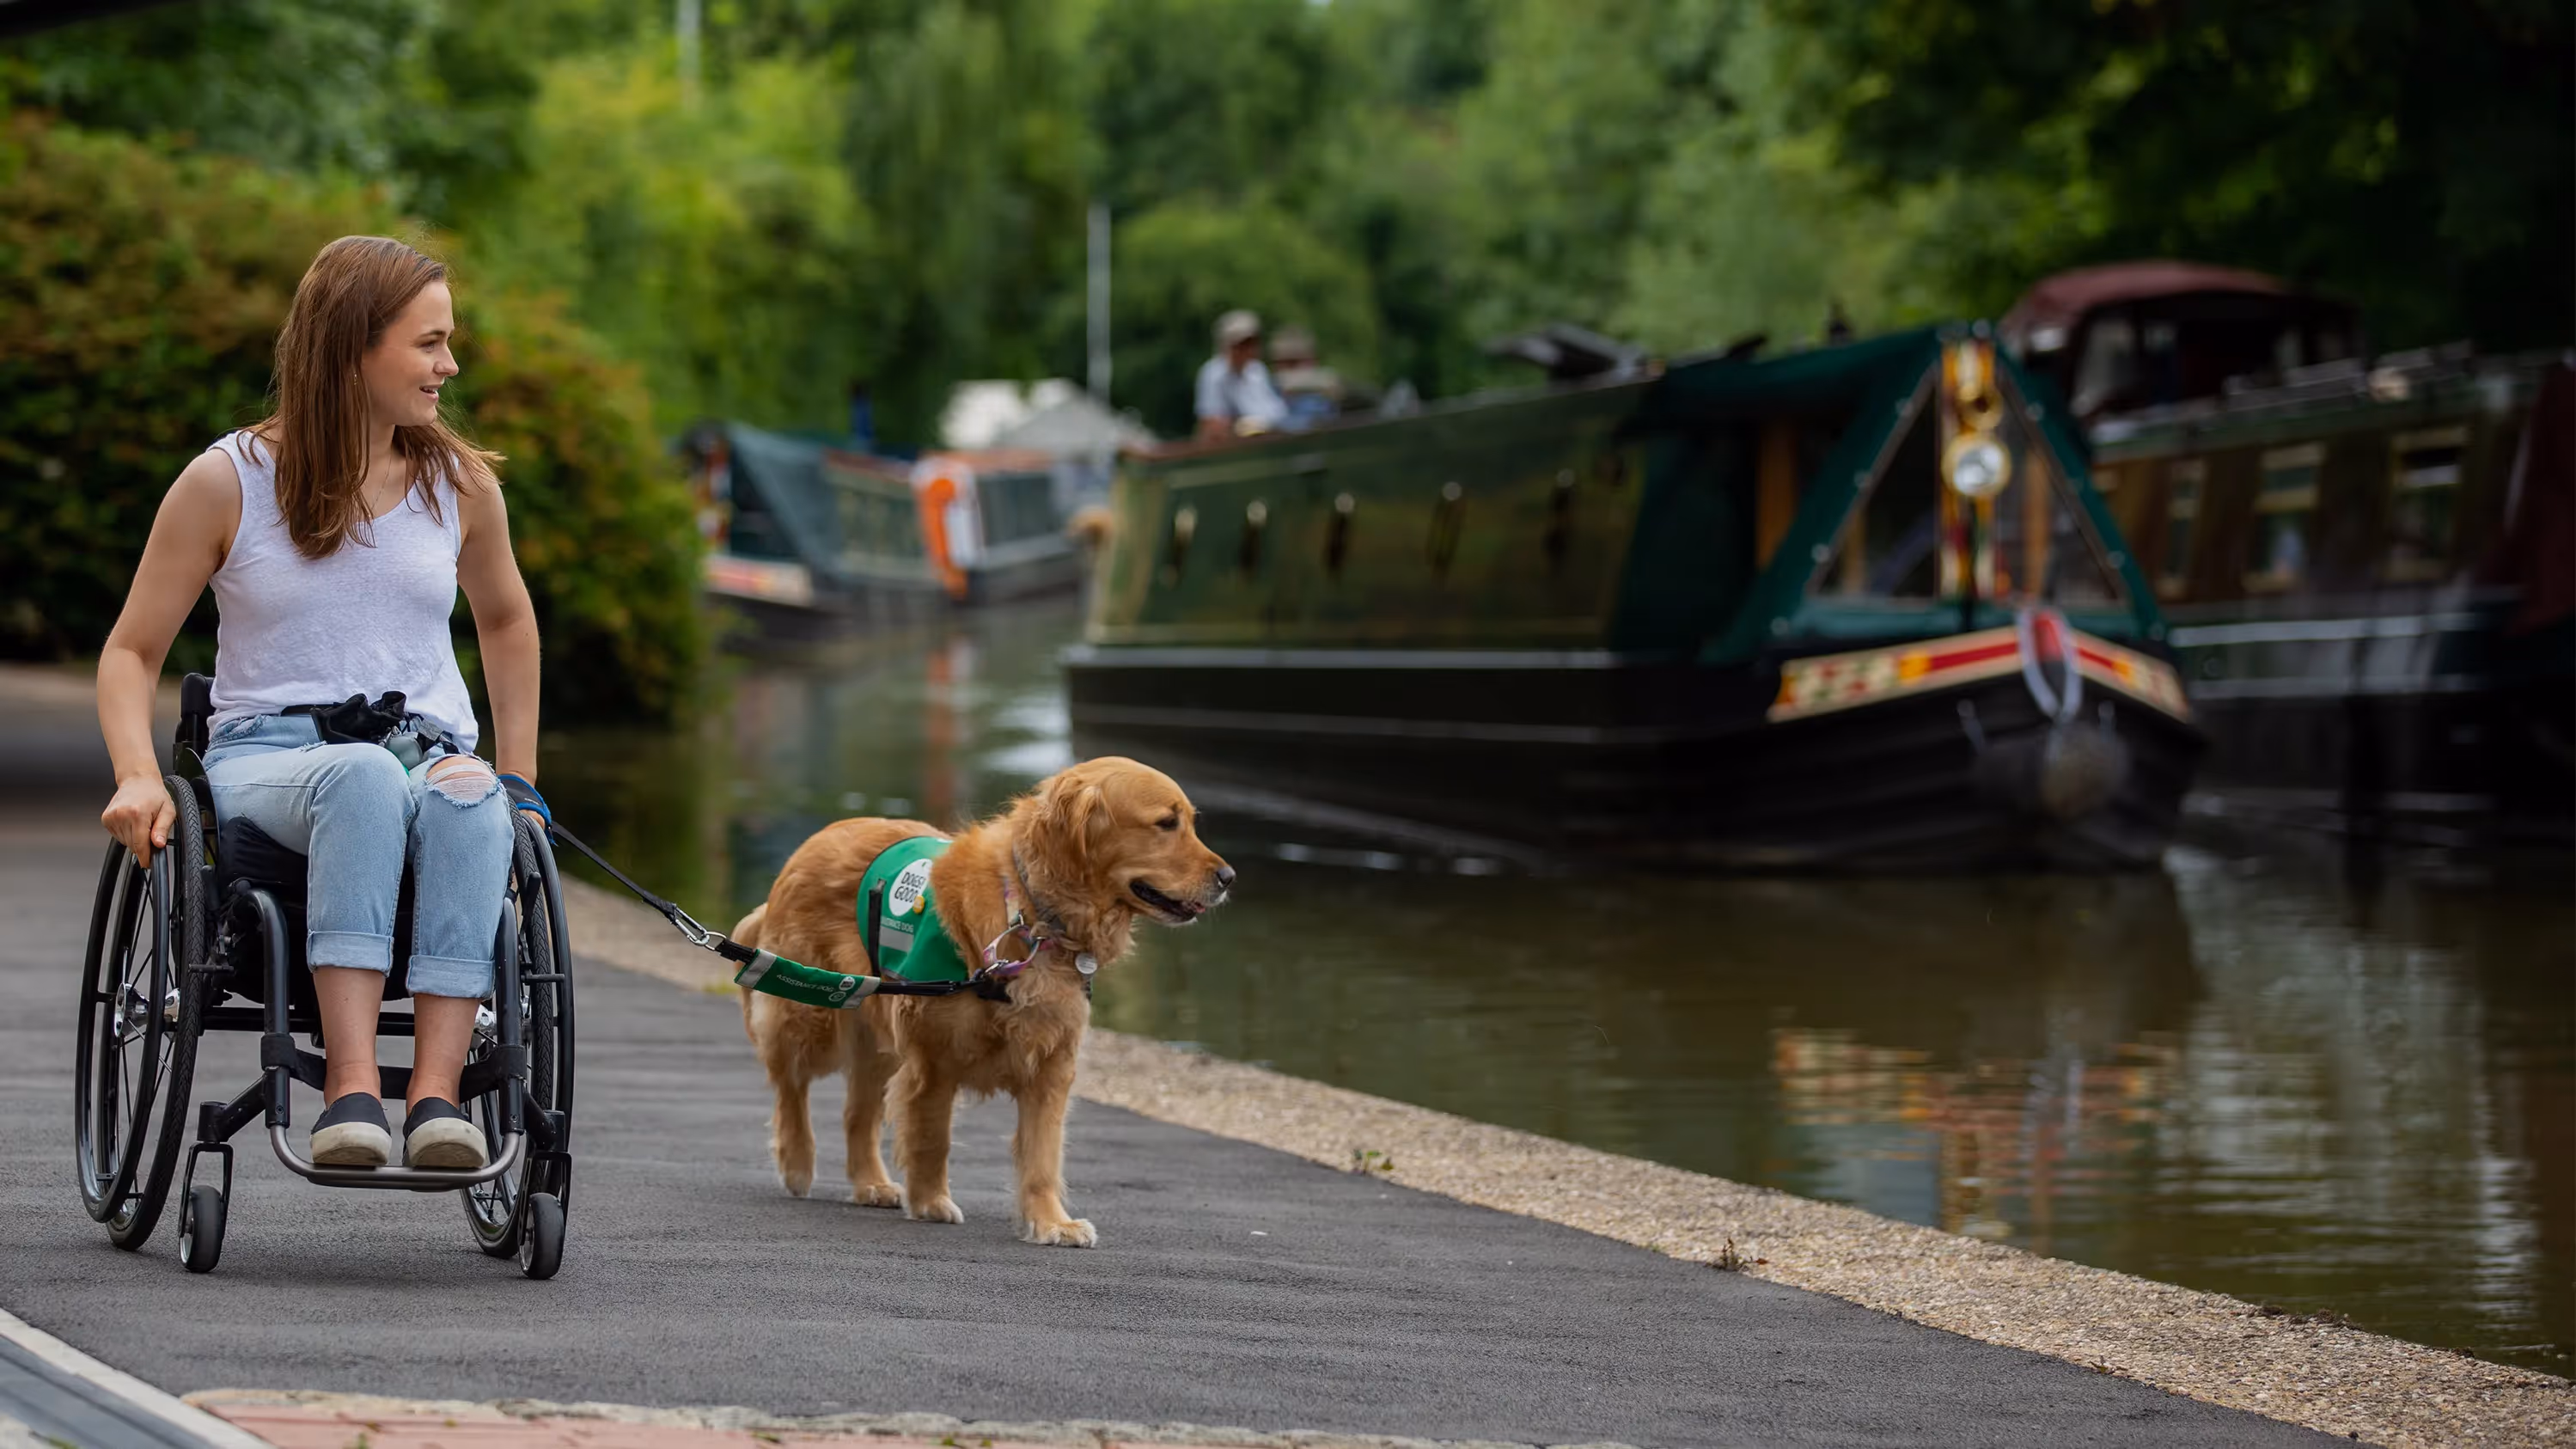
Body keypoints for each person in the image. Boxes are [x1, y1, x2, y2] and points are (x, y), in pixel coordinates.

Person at [95, 235, 546, 1172]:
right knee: (360, 776)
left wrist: (519, 775)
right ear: (353, 347)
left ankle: (435, 1097)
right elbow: (131, 651)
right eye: (428, 343)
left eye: (448, 341)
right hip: (268, 761)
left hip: (423, 754)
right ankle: (348, 1089)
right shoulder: (227, 482)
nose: (449, 365)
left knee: (470, 796)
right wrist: (139, 774)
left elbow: (507, 622)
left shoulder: (458, 486)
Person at [1193, 309, 1287, 440]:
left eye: (1253, 342)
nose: (1251, 348)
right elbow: (1211, 423)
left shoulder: (1257, 370)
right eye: (1244, 344)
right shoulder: (1212, 374)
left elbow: (1275, 412)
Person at [1269, 325, 1345, 431]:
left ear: (1312, 361)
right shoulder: (1268, 391)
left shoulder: (1320, 399)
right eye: (1283, 362)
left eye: (1294, 362)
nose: (1289, 369)